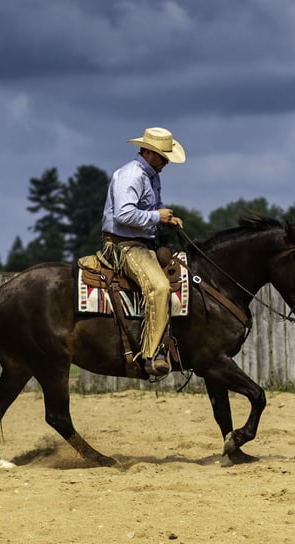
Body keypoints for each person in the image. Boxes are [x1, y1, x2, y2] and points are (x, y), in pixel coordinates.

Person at [100, 127, 185, 376]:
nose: (166, 162)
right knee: (159, 288)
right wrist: (157, 216)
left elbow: (154, 207)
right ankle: (150, 355)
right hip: (123, 246)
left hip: (142, 243)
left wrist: (166, 217)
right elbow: (124, 214)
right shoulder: (131, 175)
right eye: (162, 156)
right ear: (148, 152)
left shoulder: (152, 176)